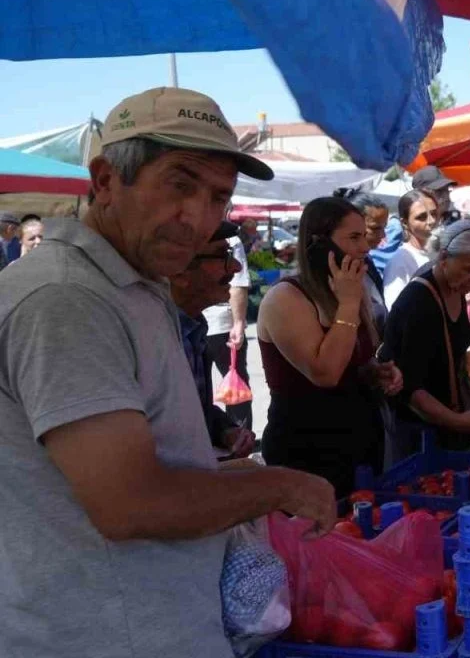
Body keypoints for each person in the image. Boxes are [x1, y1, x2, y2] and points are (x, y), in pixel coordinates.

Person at [0, 86, 335, 658]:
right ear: (106, 180)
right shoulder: (66, 298)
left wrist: (227, 474)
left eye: (218, 197)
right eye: (180, 185)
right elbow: (130, 503)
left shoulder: (131, 284)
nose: (198, 219)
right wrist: (278, 485)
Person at [256, 196, 404, 496]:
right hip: (307, 451)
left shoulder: (351, 290)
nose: (365, 247)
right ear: (320, 243)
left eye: (363, 236)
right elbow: (325, 373)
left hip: (358, 441)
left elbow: (352, 360)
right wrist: (348, 305)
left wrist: (374, 372)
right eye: (354, 237)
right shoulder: (285, 298)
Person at [381, 220, 470, 461]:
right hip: (421, 433)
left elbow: (439, 335)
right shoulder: (418, 302)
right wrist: (459, 422)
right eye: (469, 269)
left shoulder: (453, 287)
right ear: (443, 258)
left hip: (448, 423)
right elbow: (410, 387)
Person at [173, 221, 258, 458]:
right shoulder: (153, 335)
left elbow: (198, 412)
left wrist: (225, 431)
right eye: (222, 255)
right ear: (180, 271)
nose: (235, 266)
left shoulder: (194, 327)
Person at [201, 211, 253, 431]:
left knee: (230, 386)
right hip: (220, 325)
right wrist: (238, 323)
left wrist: (238, 323)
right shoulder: (230, 239)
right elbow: (238, 284)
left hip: (218, 325)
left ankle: (238, 436)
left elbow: (238, 283)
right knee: (232, 387)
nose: (234, 267)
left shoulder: (229, 238)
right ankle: (237, 435)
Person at [341, 189, 392, 335]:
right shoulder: (339, 273)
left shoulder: (367, 262)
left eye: (384, 227)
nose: (382, 235)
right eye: (375, 228)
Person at [384, 189, 443, 309]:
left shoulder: (444, 253)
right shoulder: (400, 261)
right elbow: (396, 310)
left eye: (434, 213)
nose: (431, 221)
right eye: (421, 217)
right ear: (405, 223)